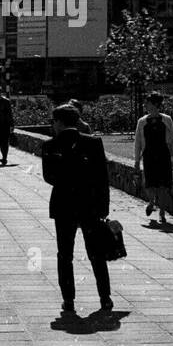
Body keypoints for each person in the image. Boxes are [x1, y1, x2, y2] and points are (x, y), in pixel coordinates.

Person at [42, 103, 113, 315]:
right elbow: (103, 178)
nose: (52, 125)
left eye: (53, 121)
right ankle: (105, 297)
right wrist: (103, 207)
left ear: (60, 122)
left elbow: (49, 177)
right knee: (96, 253)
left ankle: (69, 299)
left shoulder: (50, 145)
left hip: (64, 205)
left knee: (65, 254)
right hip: (90, 204)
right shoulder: (93, 143)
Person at [134, 91, 173, 225]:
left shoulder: (166, 119)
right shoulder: (142, 121)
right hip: (148, 155)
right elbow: (137, 142)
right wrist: (137, 160)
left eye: (147, 103)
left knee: (164, 185)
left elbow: (172, 140)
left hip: (163, 155)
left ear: (155, 104)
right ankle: (152, 201)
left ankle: (162, 212)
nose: (145, 105)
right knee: (149, 183)